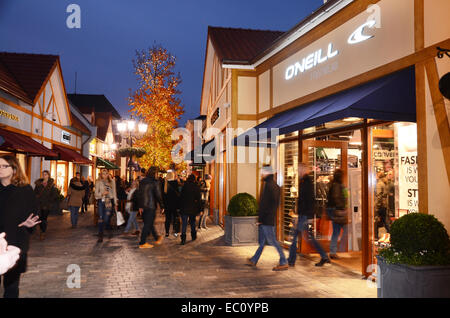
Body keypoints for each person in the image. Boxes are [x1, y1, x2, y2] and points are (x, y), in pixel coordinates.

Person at [0, 155, 41, 298]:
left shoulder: (25, 190)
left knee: (11, 286)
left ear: (14, 169)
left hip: (15, 243)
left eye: (4, 166)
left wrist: (30, 224)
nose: (0, 169)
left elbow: (34, 213)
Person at [288, 163, 330, 267]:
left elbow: (308, 200)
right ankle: (324, 256)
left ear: (304, 170)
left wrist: (304, 215)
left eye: (299, 169)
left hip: (305, 215)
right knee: (307, 237)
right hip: (305, 214)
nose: (298, 171)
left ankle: (291, 260)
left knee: (295, 236)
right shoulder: (304, 181)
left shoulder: (307, 182)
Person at [247, 166, 288, 271]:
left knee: (272, 240)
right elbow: (275, 204)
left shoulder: (270, 186)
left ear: (267, 173)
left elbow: (266, 205)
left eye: (262, 172)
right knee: (263, 241)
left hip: (267, 220)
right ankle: (254, 259)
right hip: (268, 218)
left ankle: (283, 261)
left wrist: (262, 219)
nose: (261, 174)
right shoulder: (273, 185)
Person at [137, 166, 165, 249]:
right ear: (155, 173)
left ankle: (157, 237)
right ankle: (142, 242)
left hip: (144, 206)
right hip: (151, 205)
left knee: (149, 222)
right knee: (148, 224)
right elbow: (158, 194)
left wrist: (140, 206)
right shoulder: (155, 182)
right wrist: (162, 205)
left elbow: (139, 194)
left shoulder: (142, 181)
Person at [326, 169, 349, 260]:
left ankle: (335, 250)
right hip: (337, 210)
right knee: (341, 230)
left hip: (334, 210)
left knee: (337, 231)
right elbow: (336, 198)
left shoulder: (333, 184)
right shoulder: (337, 185)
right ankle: (335, 250)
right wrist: (342, 207)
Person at [34, 170, 59, 240]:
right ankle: (42, 230)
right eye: (43, 174)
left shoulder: (51, 185)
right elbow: (35, 192)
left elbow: (55, 195)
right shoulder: (38, 184)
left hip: (47, 205)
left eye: (45, 174)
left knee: (44, 218)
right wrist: (36, 197)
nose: (44, 176)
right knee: (39, 218)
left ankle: (43, 232)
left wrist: (50, 201)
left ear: (48, 175)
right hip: (39, 204)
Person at [95, 169, 118, 242]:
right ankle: (100, 235)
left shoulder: (112, 182)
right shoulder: (98, 182)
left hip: (109, 202)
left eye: (106, 173)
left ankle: (108, 229)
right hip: (101, 201)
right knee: (101, 218)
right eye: (103, 174)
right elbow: (95, 195)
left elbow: (114, 193)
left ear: (108, 174)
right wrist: (102, 194)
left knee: (107, 219)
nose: (105, 175)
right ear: (101, 175)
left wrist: (115, 203)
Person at [179, 174, 201, 245]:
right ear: (194, 179)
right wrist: (200, 209)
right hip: (192, 207)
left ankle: (183, 239)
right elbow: (199, 199)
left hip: (184, 207)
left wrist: (179, 207)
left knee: (184, 223)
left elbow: (181, 197)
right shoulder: (196, 187)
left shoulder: (185, 186)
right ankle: (193, 235)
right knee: (192, 222)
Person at [163, 171, 180, 237]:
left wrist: (163, 205)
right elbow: (178, 195)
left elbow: (163, 196)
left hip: (167, 205)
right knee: (175, 218)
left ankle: (167, 233)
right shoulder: (175, 183)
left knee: (167, 219)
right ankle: (175, 232)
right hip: (174, 204)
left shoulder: (164, 184)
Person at [375, 171, 389, 240]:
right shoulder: (385, 183)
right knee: (384, 220)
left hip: (380, 205)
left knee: (376, 220)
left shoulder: (379, 184)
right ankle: (390, 232)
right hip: (384, 204)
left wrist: (377, 206)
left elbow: (379, 196)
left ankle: (375, 236)